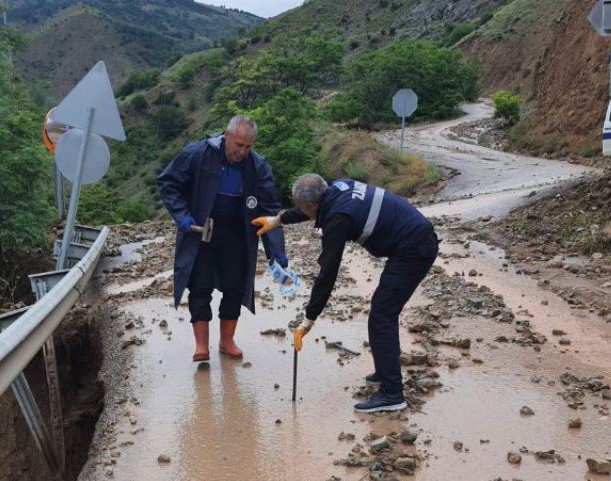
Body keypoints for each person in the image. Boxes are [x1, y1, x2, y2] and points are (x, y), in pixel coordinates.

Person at [252, 174, 438, 413]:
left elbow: (328, 272)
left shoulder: (338, 218)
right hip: (413, 239)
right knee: (382, 311)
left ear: (311, 205)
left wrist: (309, 318)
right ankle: (385, 372)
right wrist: (278, 219)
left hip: (414, 249)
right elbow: (313, 210)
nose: (305, 213)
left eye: (304, 209)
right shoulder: (338, 188)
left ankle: (392, 393)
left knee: (382, 315)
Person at [158, 116, 287, 362]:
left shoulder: (258, 167)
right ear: (226, 136)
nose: (243, 151)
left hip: (237, 234)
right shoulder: (197, 154)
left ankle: (227, 341)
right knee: (199, 285)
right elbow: (168, 183)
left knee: (235, 287)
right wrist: (182, 216)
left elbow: (270, 211)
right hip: (201, 231)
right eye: (239, 144)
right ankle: (201, 346)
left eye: (248, 146)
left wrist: (276, 252)